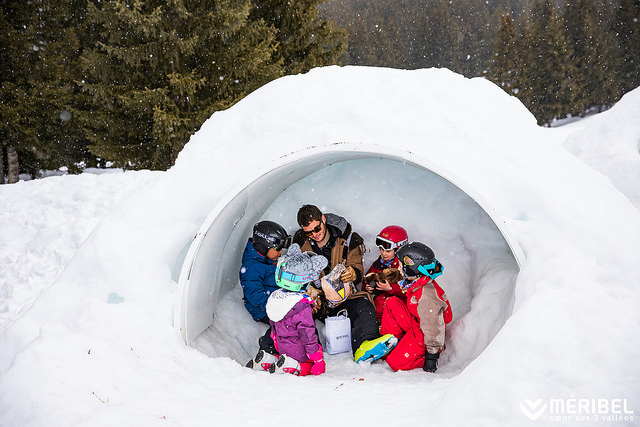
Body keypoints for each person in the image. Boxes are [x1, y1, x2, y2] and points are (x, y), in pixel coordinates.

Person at [292, 204, 397, 363]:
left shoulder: (348, 239)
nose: (314, 234)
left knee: (363, 304)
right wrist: (309, 288)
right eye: (309, 232)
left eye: (317, 229)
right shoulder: (300, 242)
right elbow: (294, 273)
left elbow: (358, 269)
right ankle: (310, 354)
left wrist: (353, 273)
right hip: (318, 300)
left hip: (344, 296)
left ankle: (365, 346)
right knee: (297, 310)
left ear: (323, 219)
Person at [380, 242, 452, 373]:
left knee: (394, 362)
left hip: (425, 335)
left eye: (402, 266)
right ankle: (391, 342)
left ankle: (419, 357)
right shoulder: (416, 282)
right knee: (392, 303)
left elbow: (434, 327)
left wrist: (432, 356)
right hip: (416, 323)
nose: (400, 269)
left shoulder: (427, 294)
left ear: (412, 269)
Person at [265, 244, 328, 376]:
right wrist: (317, 358)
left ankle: (269, 360)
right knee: (308, 367)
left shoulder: (276, 298)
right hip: (299, 353)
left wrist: (276, 341)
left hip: (282, 347)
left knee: (284, 357)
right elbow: (308, 334)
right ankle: (292, 367)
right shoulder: (301, 307)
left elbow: (273, 326)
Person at [240, 220, 290, 370]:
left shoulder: (267, 259)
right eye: (278, 248)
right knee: (283, 321)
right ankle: (267, 349)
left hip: (275, 299)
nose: (281, 252)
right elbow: (255, 295)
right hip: (262, 308)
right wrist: (277, 305)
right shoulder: (251, 266)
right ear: (264, 246)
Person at [364, 225, 409, 322]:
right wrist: (367, 287)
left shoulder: (404, 267)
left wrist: (390, 289)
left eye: (388, 251)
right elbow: (367, 278)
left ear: (398, 250)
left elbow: (409, 289)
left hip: (399, 311)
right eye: (381, 249)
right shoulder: (379, 264)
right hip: (379, 308)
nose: (383, 253)